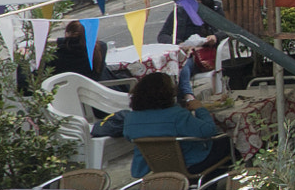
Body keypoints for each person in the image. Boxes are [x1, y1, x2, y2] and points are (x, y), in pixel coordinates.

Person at [92, 71, 230, 179]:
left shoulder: (131, 119)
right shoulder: (177, 115)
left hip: (155, 167)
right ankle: (212, 183)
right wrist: (200, 108)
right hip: (191, 164)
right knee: (228, 140)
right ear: (166, 93)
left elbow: (131, 136)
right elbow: (209, 131)